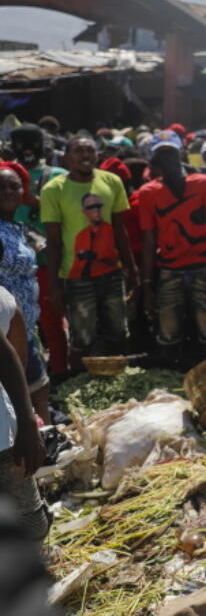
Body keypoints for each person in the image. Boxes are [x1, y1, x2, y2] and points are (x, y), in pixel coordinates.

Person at [40, 137, 136, 362]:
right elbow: (53, 242)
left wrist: (132, 269)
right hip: (76, 278)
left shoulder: (112, 182)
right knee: (82, 339)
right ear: (67, 157)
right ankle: (79, 386)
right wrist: (54, 285)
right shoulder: (53, 189)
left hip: (112, 275)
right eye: (78, 151)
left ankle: (118, 381)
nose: (84, 156)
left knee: (118, 333)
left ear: (98, 156)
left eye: (89, 151)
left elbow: (120, 231)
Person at [137, 130, 206, 366]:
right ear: (155, 162)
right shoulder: (148, 193)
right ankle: (172, 384)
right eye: (161, 156)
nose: (167, 161)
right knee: (168, 334)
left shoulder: (204, 184)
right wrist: (146, 286)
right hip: (169, 270)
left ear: (181, 154)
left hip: (202, 269)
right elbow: (149, 241)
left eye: (171, 154)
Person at [7, 126, 69, 376]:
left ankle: (59, 374)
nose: (27, 149)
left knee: (52, 322)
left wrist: (37, 202)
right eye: (21, 144)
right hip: (13, 265)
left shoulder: (57, 175)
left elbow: (70, 215)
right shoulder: (6, 176)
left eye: (32, 142)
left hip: (49, 261)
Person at [0, 165, 49, 423]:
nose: (8, 191)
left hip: (26, 327)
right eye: (2, 187)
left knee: (38, 393)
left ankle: (46, 453)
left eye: (14, 186)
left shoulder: (18, 227)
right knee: (20, 398)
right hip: (5, 332)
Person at [0, 286, 47, 543]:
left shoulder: (5, 299)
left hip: (2, 437)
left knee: (29, 525)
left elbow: (7, 355)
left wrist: (27, 422)